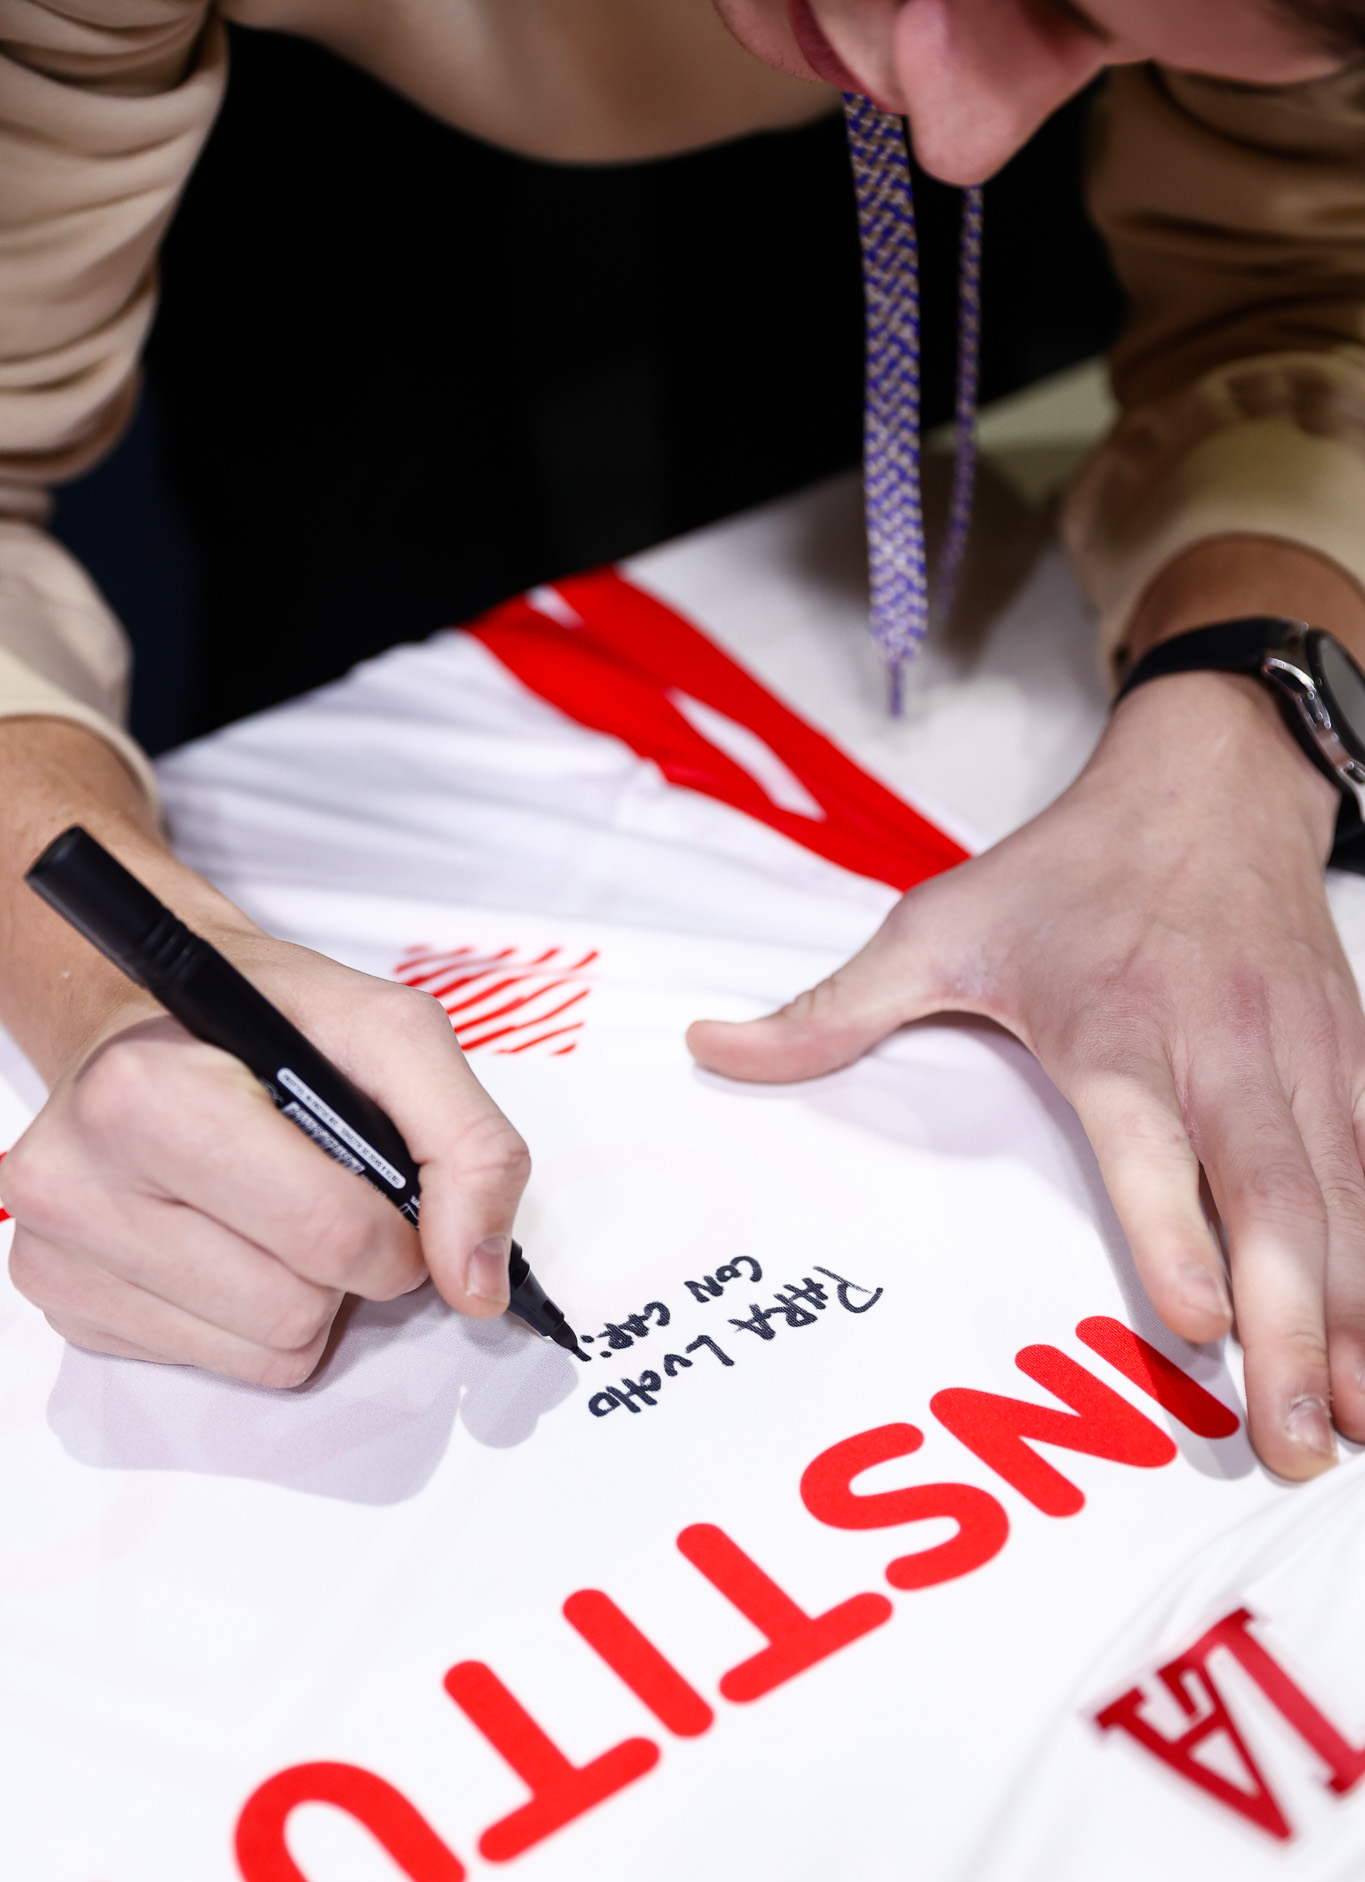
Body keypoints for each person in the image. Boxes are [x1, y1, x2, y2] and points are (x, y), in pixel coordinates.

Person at [0, 0, 1363, 1488]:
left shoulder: (967, 78)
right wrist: (104, 985)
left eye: (1103, 36)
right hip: (300, 208)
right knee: (355, 501)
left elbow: (1308, 286)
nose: (968, 139)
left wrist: (1239, 719)